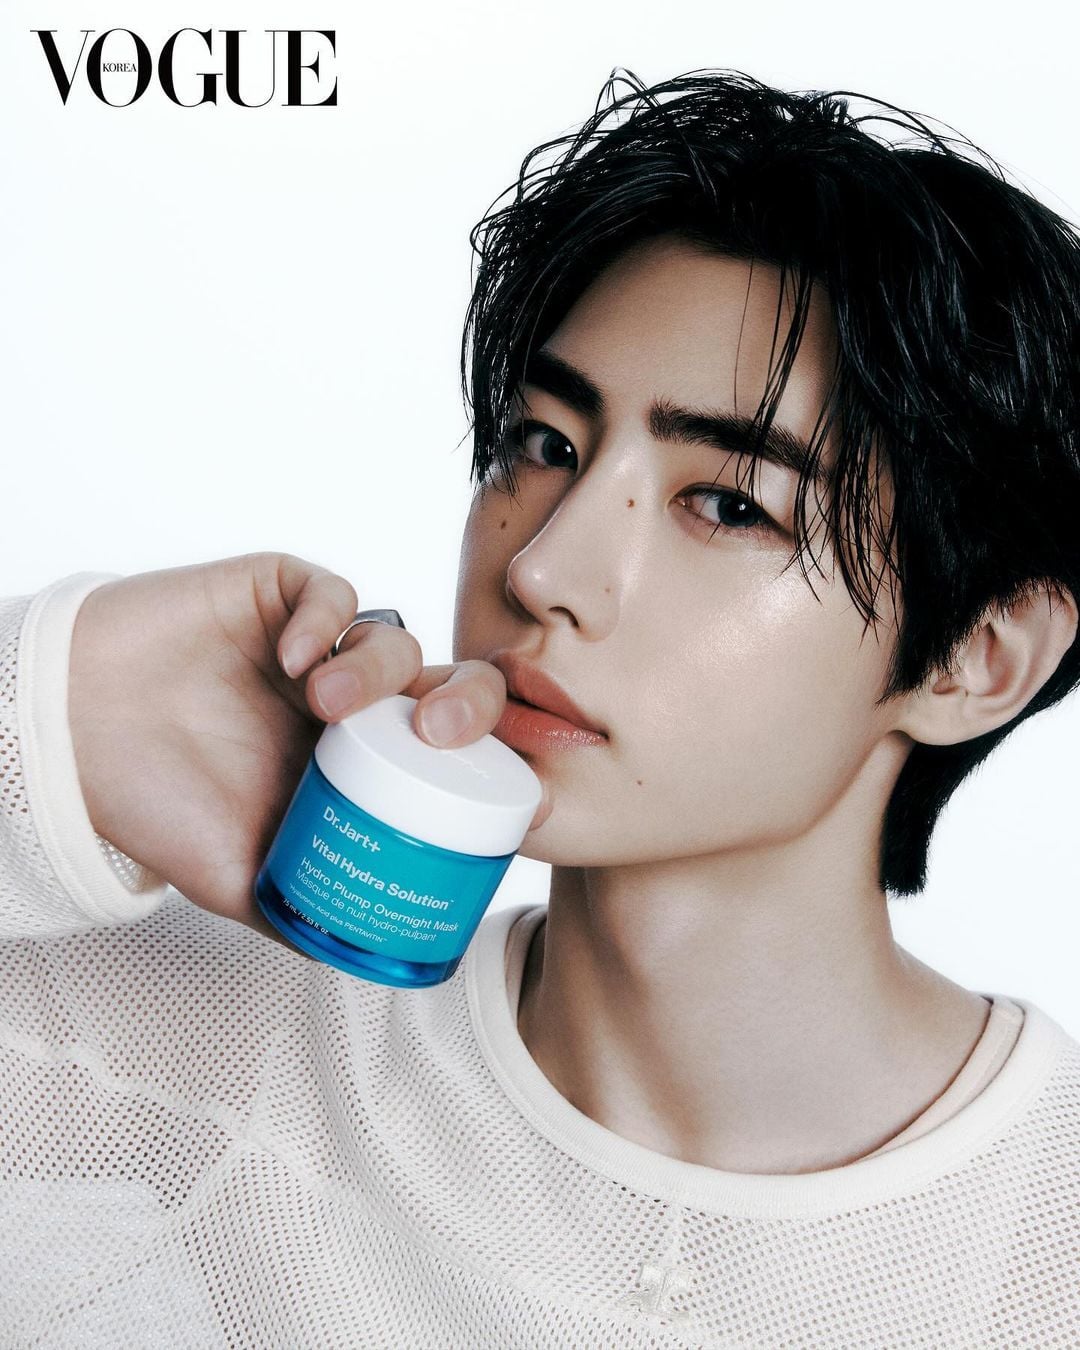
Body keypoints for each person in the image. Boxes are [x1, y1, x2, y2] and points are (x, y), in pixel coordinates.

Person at [3, 66, 1080, 1346]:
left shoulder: (1049, 1248)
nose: (543, 569)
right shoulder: (156, 1061)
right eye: (546, 445)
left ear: (977, 659)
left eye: (727, 504)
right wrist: (58, 713)